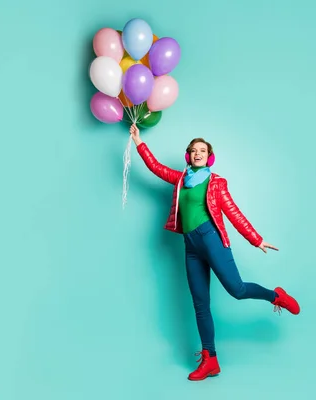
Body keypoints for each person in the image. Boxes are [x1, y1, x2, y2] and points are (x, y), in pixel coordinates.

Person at [129, 124, 301, 381]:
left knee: (238, 290)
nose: (198, 153)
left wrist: (257, 239)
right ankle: (210, 360)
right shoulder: (180, 180)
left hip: (211, 239)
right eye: (193, 150)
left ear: (209, 156)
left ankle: (276, 296)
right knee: (200, 304)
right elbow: (155, 167)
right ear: (188, 155)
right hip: (191, 247)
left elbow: (233, 212)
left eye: (202, 150)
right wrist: (138, 141)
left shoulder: (216, 183)